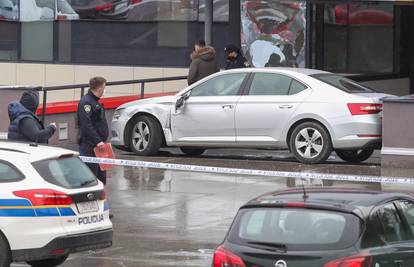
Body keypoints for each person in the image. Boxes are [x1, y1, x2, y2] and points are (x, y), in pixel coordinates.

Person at [77, 76, 109, 185]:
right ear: (100, 88)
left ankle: (102, 199)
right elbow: (86, 125)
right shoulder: (86, 103)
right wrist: (97, 141)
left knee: (101, 176)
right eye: (104, 87)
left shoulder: (95, 102)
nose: (105, 90)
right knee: (91, 177)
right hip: (90, 146)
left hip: (100, 146)